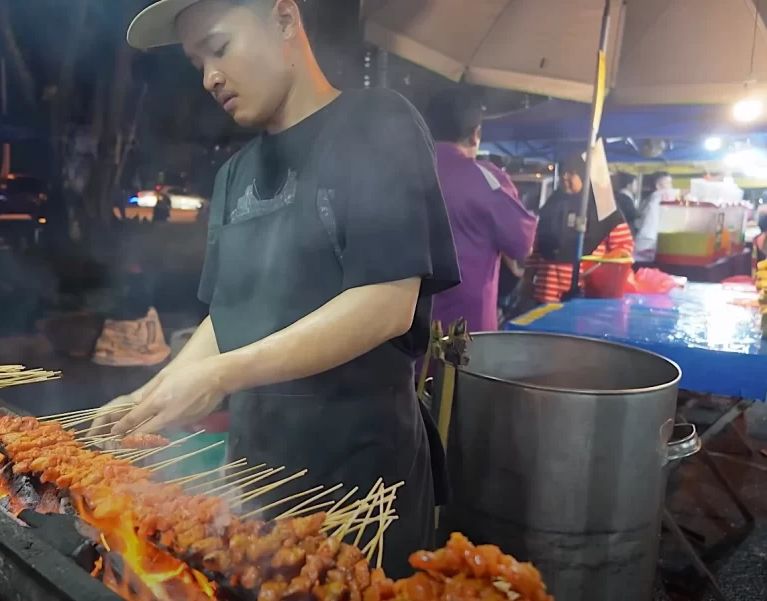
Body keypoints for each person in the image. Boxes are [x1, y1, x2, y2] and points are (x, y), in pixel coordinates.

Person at [94, 0, 461, 575]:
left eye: (218, 48)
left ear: (285, 21)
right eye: (197, 63)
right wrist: (152, 396)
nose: (209, 77)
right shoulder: (234, 175)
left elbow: (387, 302)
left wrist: (219, 376)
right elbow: (226, 317)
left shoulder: (376, 124)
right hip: (252, 479)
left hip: (358, 483)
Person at [424, 89, 537, 332]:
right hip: (466, 328)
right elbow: (522, 244)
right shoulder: (486, 179)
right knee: (461, 371)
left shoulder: (402, 175)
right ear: (475, 134)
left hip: (406, 327)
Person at [529, 155, 634, 304]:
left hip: (584, 292)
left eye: (571, 172)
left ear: (585, 176)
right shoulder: (552, 204)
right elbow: (537, 244)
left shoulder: (604, 207)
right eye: (562, 173)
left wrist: (599, 269)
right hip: (546, 288)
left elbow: (624, 247)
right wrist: (528, 278)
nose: (564, 177)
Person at [634, 171, 672, 264]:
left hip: (643, 239)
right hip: (648, 240)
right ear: (658, 185)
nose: (670, 186)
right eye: (668, 183)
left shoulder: (649, 199)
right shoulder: (659, 196)